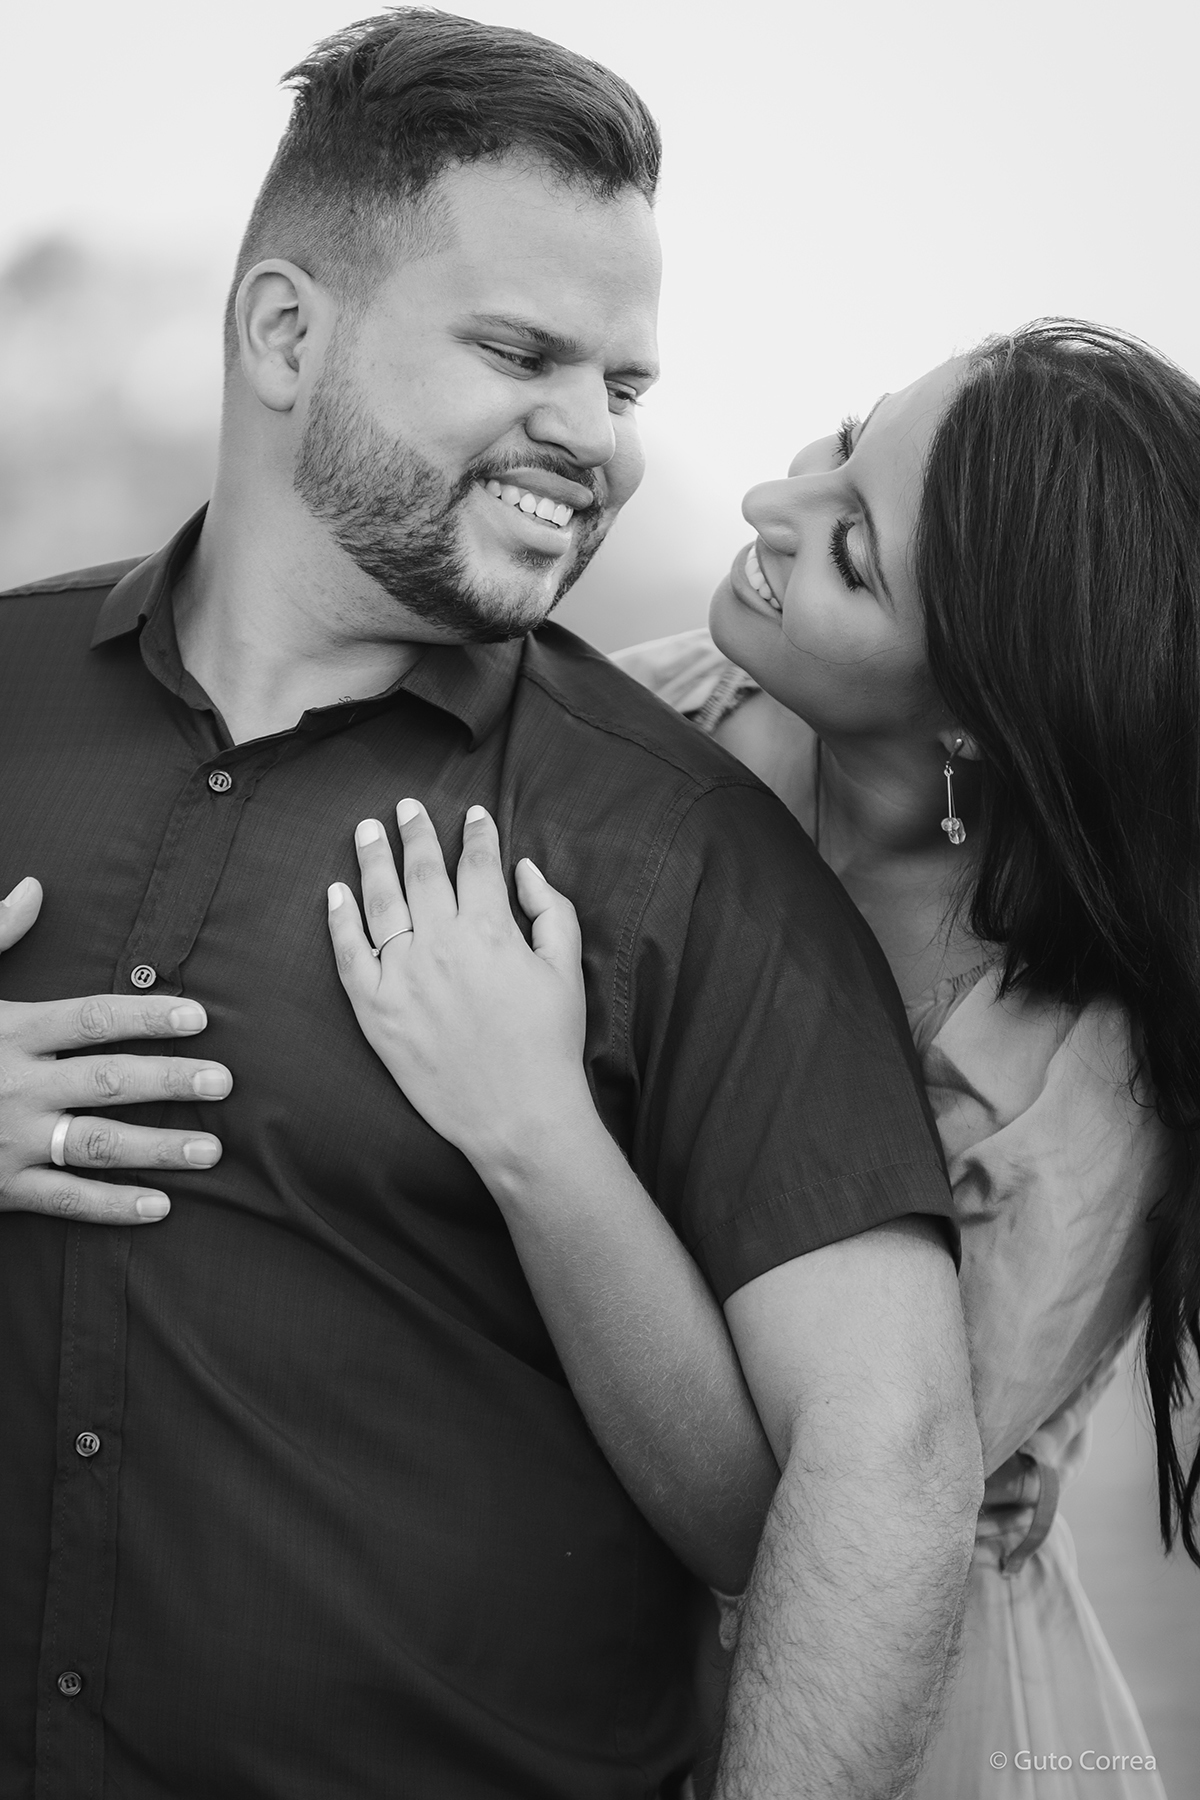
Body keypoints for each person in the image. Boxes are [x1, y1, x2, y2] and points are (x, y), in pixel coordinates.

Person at [0, 12, 982, 1798]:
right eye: (522, 352)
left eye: (625, 387)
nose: (593, 439)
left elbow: (888, 1457)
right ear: (284, 333)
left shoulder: (692, 856)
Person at [327, 320, 1199, 1797]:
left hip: (867, 1691)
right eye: (844, 442)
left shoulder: (1071, 1094)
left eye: (851, 551)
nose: (768, 506)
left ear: (981, 721)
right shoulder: (668, 718)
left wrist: (535, 1123)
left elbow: (809, 1509)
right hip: (536, 1610)